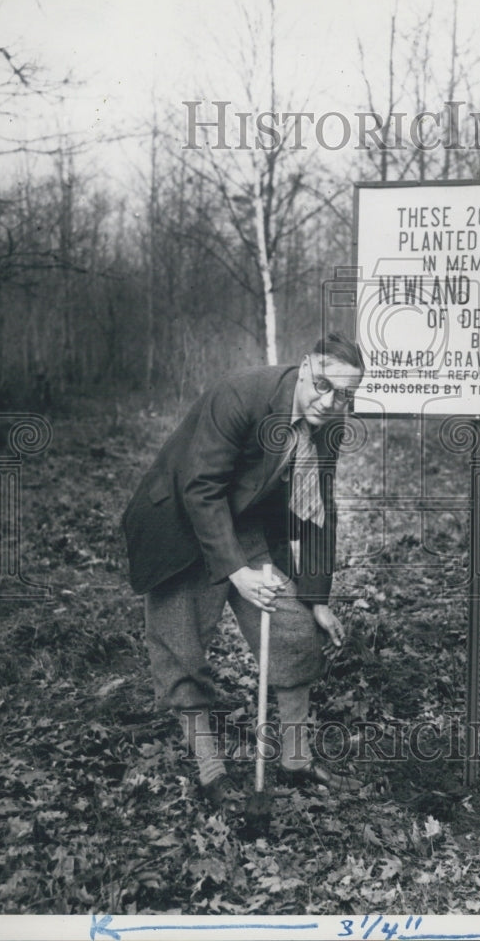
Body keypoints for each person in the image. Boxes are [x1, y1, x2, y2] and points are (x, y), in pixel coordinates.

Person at [122, 332, 365, 809]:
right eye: (322, 385)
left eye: (344, 395)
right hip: (180, 522)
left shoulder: (329, 424)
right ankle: (211, 772)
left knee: (294, 631)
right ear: (303, 366)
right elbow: (201, 488)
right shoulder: (239, 394)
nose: (330, 401)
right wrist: (237, 571)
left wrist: (316, 599)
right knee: (182, 647)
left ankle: (295, 760)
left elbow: (318, 507)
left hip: (246, 519)